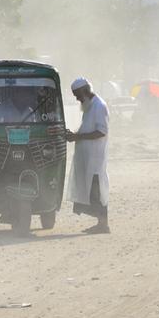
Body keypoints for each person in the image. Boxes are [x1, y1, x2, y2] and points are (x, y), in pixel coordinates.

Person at [65, 77, 110, 234]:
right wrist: (74, 135)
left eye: (77, 94)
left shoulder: (99, 106)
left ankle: (103, 225)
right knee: (91, 189)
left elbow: (101, 131)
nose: (77, 98)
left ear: (85, 91)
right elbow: (87, 129)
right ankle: (101, 224)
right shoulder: (89, 106)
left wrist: (78, 137)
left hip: (96, 158)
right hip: (87, 157)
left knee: (96, 189)